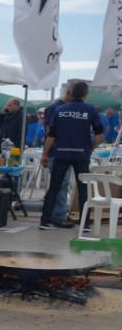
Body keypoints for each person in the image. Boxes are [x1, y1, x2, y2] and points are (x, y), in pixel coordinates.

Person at [40, 81, 104, 230]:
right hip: (82, 154)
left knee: (54, 188)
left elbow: (51, 136)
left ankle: (45, 221)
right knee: (83, 189)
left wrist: (45, 153)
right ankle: (85, 224)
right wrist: (90, 148)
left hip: (61, 152)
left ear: (70, 93)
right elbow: (99, 134)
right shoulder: (90, 110)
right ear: (85, 94)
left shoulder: (60, 110)